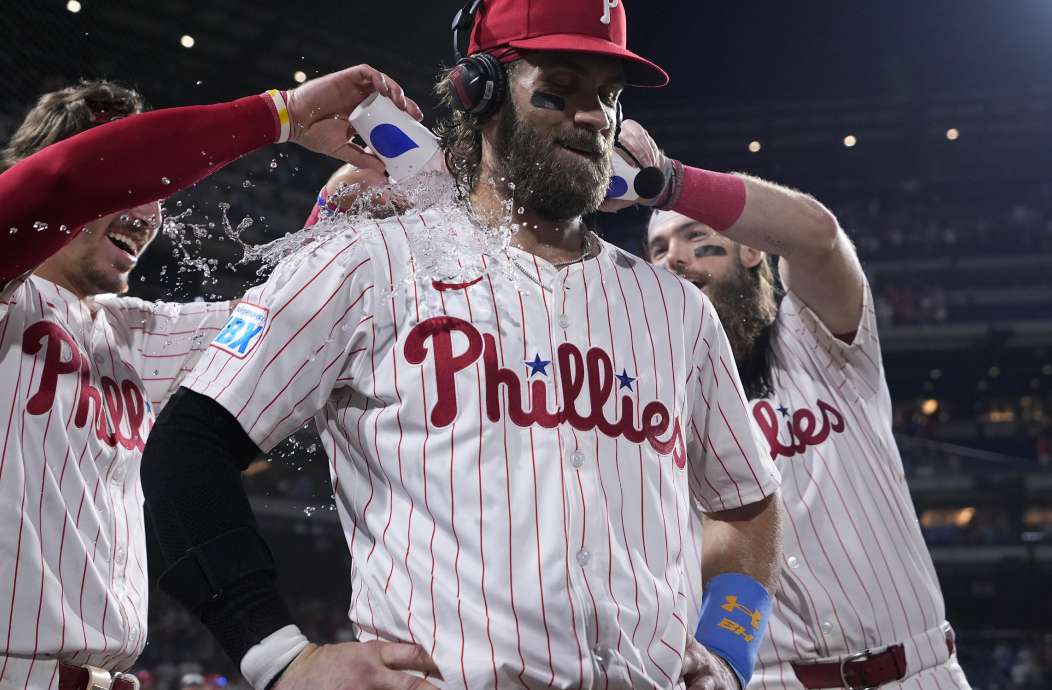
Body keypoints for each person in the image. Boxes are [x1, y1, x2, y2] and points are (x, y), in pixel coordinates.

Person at [141, 1, 785, 688]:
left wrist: (728, 650)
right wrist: (280, 658)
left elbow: (747, 502)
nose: (596, 117)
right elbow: (186, 450)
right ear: (480, 92)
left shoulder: (675, 307)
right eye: (560, 90)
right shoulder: (369, 265)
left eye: (609, 98)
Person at [0, 64, 420, 690]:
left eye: (159, 194)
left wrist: (333, 214)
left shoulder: (129, 333)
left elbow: (283, 324)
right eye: (136, 185)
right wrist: (281, 113)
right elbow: (68, 179)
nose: (150, 212)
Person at [631, 121, 972, 686]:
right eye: (659, 248)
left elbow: (816, 234)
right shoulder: (652, 397)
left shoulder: (812, 336)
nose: (674, 257)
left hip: (916, 670)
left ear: (748, 251)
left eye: (696, 236)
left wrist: (669, 182)